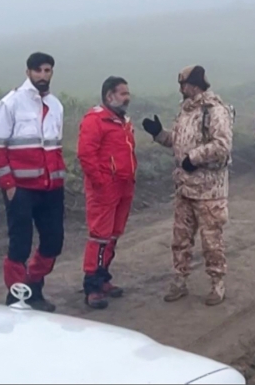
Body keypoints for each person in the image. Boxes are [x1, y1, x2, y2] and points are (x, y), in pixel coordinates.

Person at [142, 66, 233, 306]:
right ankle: (180, 281)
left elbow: (222, 145)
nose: (180, 89)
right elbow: (180, 142)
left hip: (209, 190)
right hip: (185, 187)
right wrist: (160, 134)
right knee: (180, 239)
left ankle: (217, 284)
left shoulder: (215, 111)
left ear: (194, 85)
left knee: (211, 240)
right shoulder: (187, 110)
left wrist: (194, 158)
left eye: (183, 85)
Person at [0, 52, 66, 311]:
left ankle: (32, 287)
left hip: (51, 188)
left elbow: (55, 147)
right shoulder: (10, 104)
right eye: (38, 70)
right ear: (28, 72)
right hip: (20, 189)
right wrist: (9, 186)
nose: (43, 75)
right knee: (19, 244)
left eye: (48, 70)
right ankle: (16, 298)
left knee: (54, 242)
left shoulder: (56, 105)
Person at [77, 76, 137, 310]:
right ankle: (91, 285)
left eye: (127, 93)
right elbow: (86, 155)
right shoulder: (95, 120)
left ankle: (103, 278)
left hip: (124, 185)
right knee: (99, 236)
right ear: (109, 96)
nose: (127, 97)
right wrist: (101, 182)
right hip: (105, 187)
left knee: (113, 235)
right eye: (123, 93)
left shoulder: (122, 120)